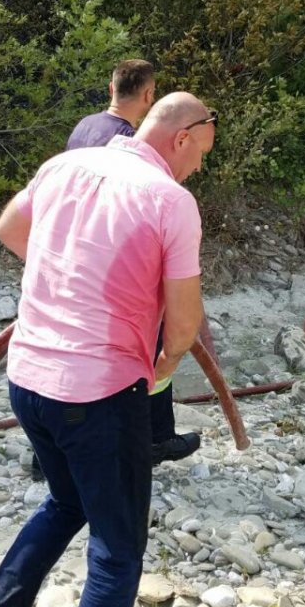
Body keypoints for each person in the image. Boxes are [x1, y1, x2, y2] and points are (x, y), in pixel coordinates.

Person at [0, 94, 217, 607]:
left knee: (65, 504)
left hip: (29, 379)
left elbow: (10, 229)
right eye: (204, 152)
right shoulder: (171, 202)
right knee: (119, 551)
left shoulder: (66, 165)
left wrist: (71, 281)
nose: (201, 168)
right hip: (98, 393)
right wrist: (161, 370)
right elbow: (183, 326)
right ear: (183, 136)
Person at [64, 59, 201, 467]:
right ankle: (155, 439)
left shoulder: (84, 126)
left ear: (110, 87)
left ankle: (54, 450)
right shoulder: (129, 140)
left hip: (76, 259)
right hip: (118, 267)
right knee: (152, 353)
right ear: (148, 96)